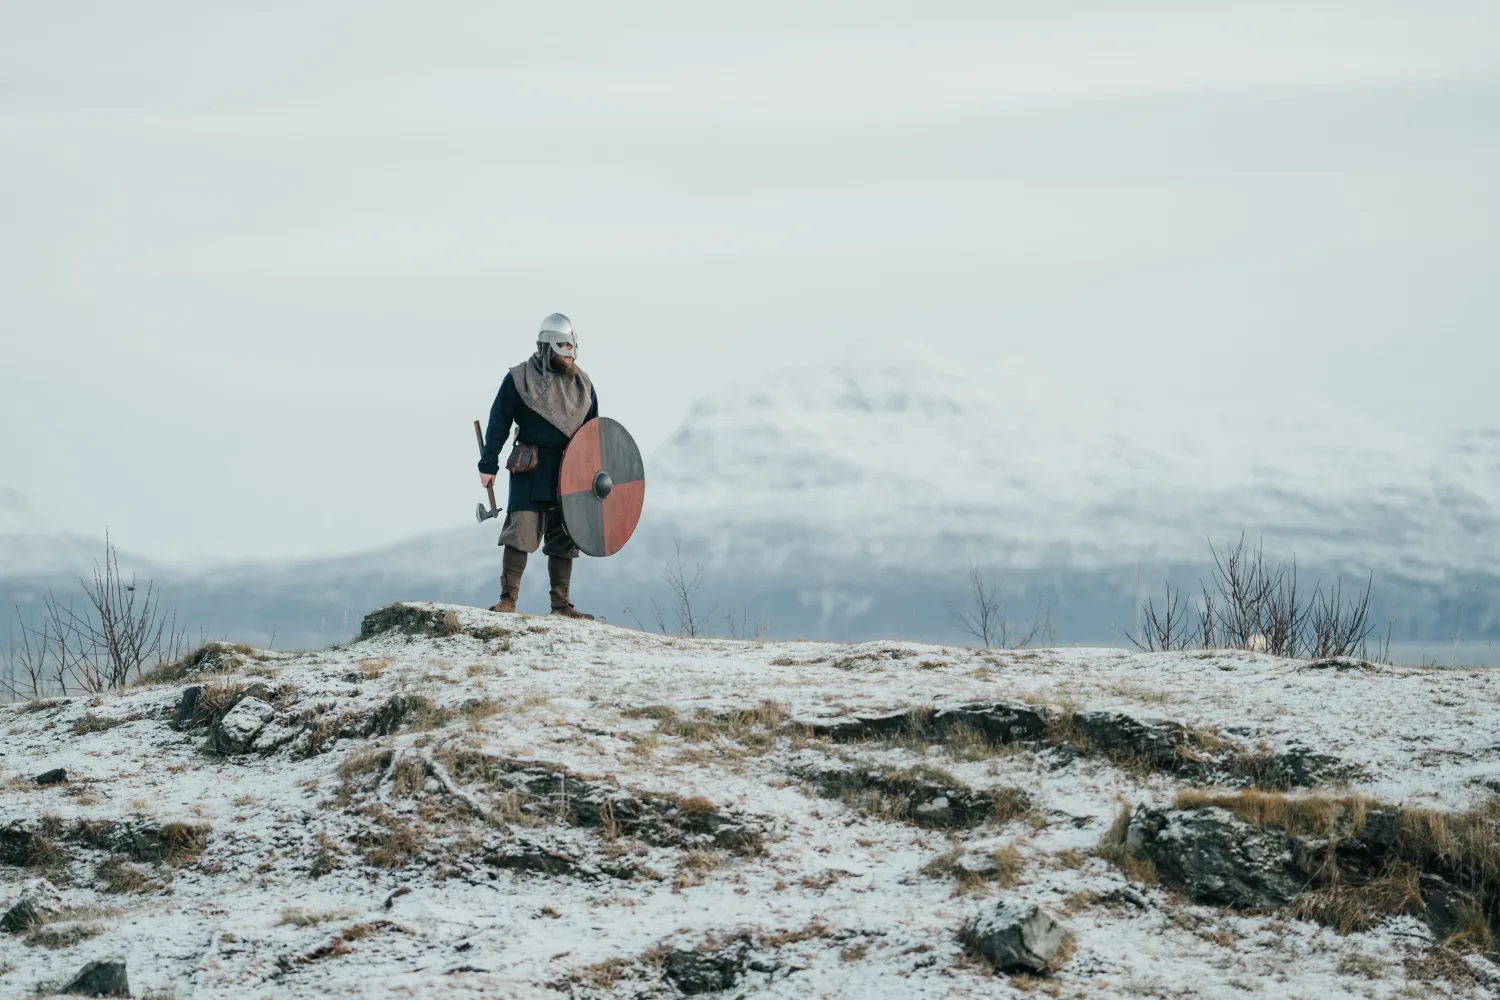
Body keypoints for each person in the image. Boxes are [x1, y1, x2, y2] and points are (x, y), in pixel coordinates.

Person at [477, 313, 598, 617]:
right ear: (546, 347)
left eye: (571, 346)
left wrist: (594, 475)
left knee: (565, 537)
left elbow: (594, 434)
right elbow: (499, 420)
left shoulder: (583, 387)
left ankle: (561, 604)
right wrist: (488, 463)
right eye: (562, 346)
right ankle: (508, 599)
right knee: (520, 534)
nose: (568, 353)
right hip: (530, 468)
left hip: (569, 472)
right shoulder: (520, 380)